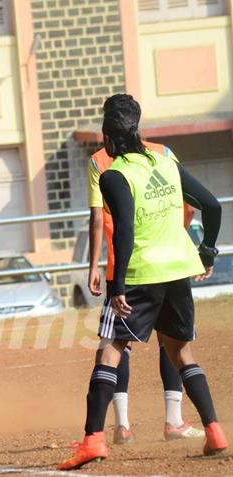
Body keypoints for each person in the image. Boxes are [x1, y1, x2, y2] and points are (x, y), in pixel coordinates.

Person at [58, 94, 228, 470]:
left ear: (107, 134)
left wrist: (117, 286)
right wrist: (207, 252)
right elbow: (213, 206)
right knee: (182, 353)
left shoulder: (114, 174)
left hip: (140, 276)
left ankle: (94, 439)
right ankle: (215, 431)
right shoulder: (166, 163)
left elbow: (125, 233)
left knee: (109, 349)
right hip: (177, 273)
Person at [88, 141, 203, 443]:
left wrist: (93, 267)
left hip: (125, 268)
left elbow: (99, 218)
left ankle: (122, 425)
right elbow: (191, 205)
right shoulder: (164, 154)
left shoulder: (99, 161)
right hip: (168, 268)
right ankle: (174, 421)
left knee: (115, 345)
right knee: (173, 343)